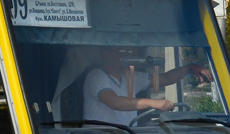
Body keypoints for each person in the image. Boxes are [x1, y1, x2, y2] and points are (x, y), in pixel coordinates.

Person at [82, 46, 212, 125]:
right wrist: (154, 103)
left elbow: (165, 78)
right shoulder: (96, 76)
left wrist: (190, 67)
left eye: (128, 52)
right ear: (106, 53)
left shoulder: (132, 76)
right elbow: (114, 102)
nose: (126, 55)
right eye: (121, 51)